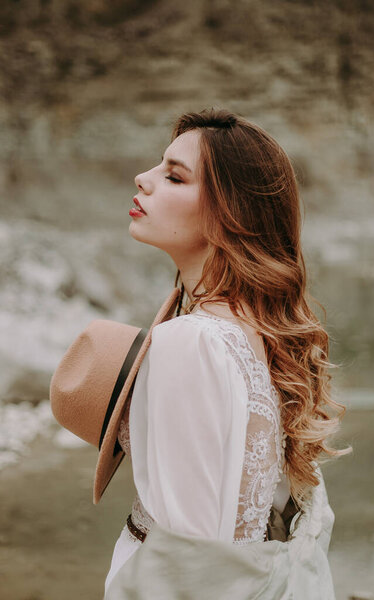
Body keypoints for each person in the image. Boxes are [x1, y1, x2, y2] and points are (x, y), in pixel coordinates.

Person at [104, 108, 349, 597]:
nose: (144, 179)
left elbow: (191, 563)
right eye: (159, 166)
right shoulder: (260, 331)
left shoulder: (191, 341)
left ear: (229, 213)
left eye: (174, 176)